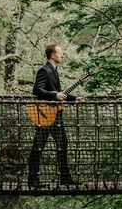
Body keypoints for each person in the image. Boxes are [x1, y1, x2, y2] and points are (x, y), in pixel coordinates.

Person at [27, 44, 84, 187]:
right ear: (52, 55)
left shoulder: (54, 71)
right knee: (38, 147)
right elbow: (37, 90)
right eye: (60, 53)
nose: (62, 55)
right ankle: (33, 180)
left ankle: (65, 178)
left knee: (62, 144)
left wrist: (74, 99)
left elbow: (58, 93)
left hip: (55, 115)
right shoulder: (44, 70)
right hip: (45, 115)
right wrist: (54, 95)